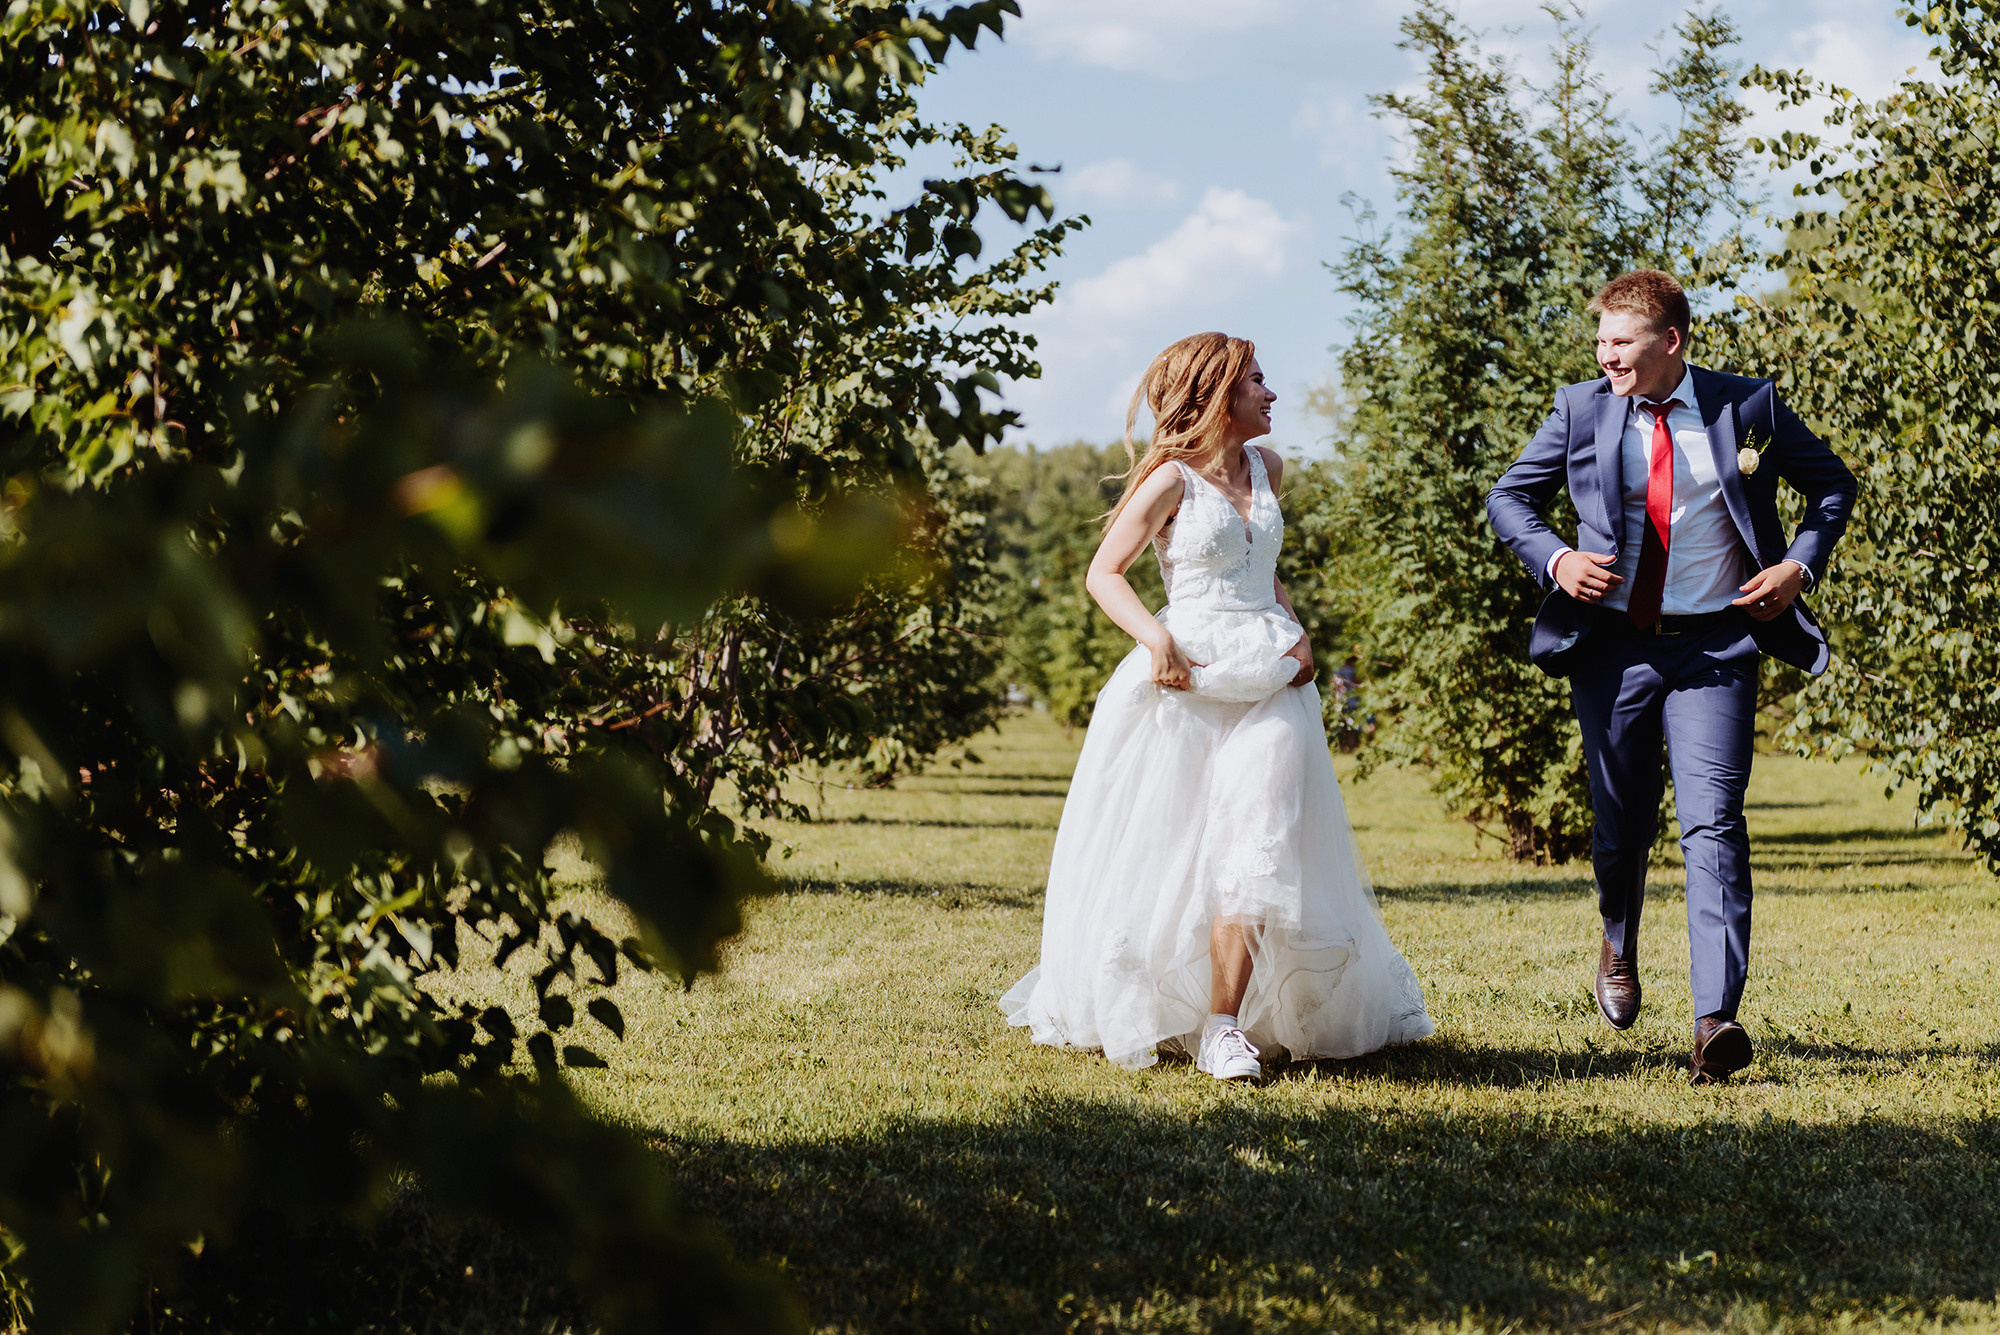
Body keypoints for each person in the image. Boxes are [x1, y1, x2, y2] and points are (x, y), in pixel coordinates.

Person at [1000, 332, 1434, 1081]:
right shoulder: (1170, 481)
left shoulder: (1270, 468)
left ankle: (1225, 1024)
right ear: (1220, 394)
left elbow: (1261, 572)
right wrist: (1155, 639)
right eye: (1258, 381)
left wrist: (1299, 638)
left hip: (1271, 678)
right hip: (1189, 679)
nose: (1272, 394)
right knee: (1175, 847)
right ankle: (1159, 999)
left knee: (1258, 837)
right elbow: (1106, 574)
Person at [1486, 271, 1856, 1084]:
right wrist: (1558, 557)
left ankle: (1714, 1020)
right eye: (1601, 342)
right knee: (1621, 827)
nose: (1604, 354)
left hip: (1717, 647)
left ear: (1671, 343)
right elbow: (1510, 497)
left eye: (1621, 342)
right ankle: (1618, 937)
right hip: (1612, 647)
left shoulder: (1744, 406)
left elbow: (1832, 485)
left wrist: (1799, 563)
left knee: (1715, 822)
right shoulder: (1581, 409)